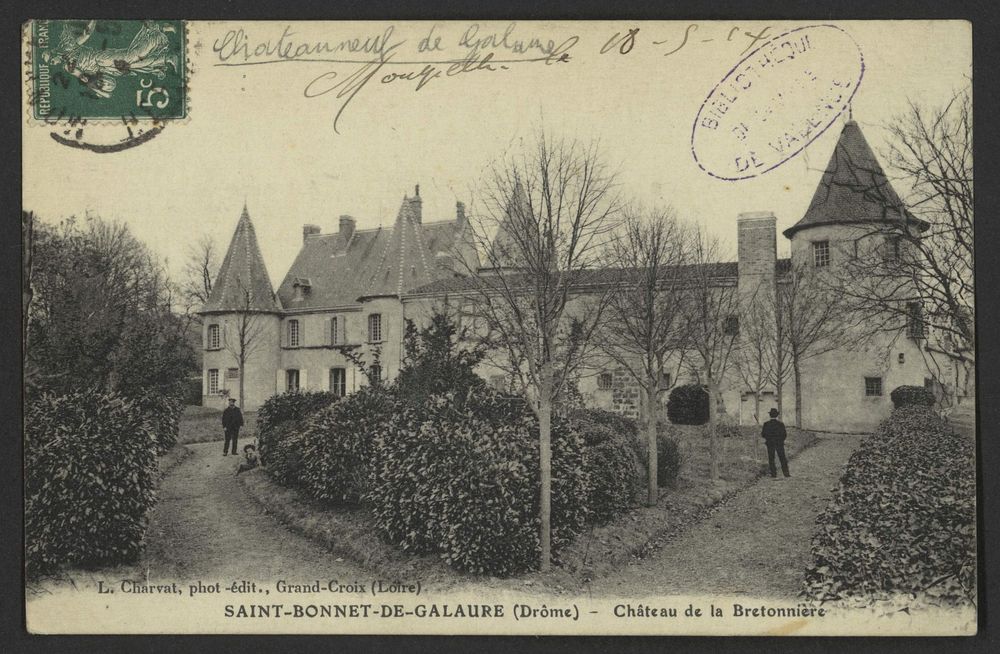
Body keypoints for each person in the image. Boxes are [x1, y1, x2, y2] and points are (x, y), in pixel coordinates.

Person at [761, 407, 790, 478]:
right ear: (776, 415)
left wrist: (768, 439)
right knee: (782, 458)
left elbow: (763, 434)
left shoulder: (766, 424)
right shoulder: (780, 424)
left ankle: (773, 474)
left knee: (771, 458)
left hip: (770, 444)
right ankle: (786, 474)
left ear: (770, 415)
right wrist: (780, 440)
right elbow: (784, 435)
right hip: (779, 443)